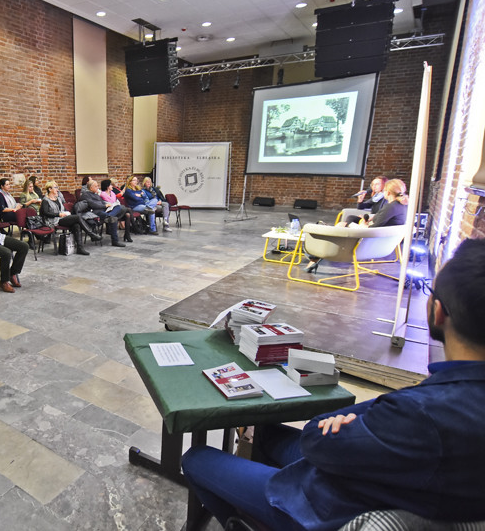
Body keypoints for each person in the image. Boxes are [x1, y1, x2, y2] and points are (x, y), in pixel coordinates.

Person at [182, 237, 485, 530]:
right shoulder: (447, 396)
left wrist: (342, 422)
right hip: (382, 478)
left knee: (196, 458)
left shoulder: (423, 413)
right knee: (264, 434)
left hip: (329, 504)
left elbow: (317, 438)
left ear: (438, 310)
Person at [305, 179, 408, 273]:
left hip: (367, 241)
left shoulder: (390, 207)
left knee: (339, 226)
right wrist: (373, 218)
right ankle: (318, 254)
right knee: (349, 220)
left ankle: (316, 255)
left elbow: (372, 229)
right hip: (380, 241)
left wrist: (363, 225)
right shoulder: (401, 206)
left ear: (388, 192)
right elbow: (383, 220)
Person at [40, 180, 101, 256]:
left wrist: (66, 213)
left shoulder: (58, 198)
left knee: (77, 225)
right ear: (50, 189)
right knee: (78, 217)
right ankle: (91, 234)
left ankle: (80, 248)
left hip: (61, 218)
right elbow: (46, 213)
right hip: (53, 220)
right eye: (55, 187)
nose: (57, 189)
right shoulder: (45, 200)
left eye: (57, 187)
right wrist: (59, 214)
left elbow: (62, 209)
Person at [80, 180, 125, 247]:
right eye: (96, 186)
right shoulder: (85, 195)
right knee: (114, 218)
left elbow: (102, 202)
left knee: (119, 207)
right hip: (95, 212)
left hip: (104, 211)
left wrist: (107, 204)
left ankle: (109, 216)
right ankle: (115, 241)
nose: (98, 188)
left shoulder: (96, 195)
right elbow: (92, 204)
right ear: (91, 187)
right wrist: (104, 205)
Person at [100, 179, 133, 243]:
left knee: (127, 213)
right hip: (110, 210)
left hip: (116, 210)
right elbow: (112, 202)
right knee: (126, 211)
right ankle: (128, 234)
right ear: (107, 186)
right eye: (110, 185)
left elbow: (115, 201)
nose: (112, 186)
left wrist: (115, 203)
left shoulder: (112, 193)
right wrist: (115, 203)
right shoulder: (103, 194)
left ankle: (127, 234)